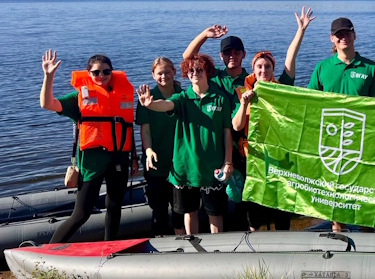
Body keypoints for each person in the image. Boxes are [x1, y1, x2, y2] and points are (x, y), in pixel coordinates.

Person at [40, 50, 139, 243]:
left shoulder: (123, 93)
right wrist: (48, 76)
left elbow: (126, 128)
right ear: (89, 73)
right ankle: (49, 250)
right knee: (81, 214)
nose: (101, 76)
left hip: (119, 158)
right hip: (92, 161)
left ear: (112, 72)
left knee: (114, 207)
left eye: (106, 71)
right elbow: (47, 104)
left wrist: (134, 157)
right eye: (96, 72)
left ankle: (109, 248)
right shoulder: (78, 97)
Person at [232, 6, 315, 231]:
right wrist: (245, 105)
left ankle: (283, 241)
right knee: (255, 206)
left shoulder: (282, 88)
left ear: (272, 69)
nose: (263, 70)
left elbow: (290, 57)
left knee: (281, 204)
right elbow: (237, 126)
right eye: (259, 66)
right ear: (253, 69)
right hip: (254, 157)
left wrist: (301, 31)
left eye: (267, 66)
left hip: (279, 156)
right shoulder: (243, 92)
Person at [136, 54, 233, 235]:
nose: (195, 73)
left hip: (213, 168)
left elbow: (227, 132)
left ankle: (219, 252)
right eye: (190, 71)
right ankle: (192, 249)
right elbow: (165, 105)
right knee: (190, 212)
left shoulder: (220, 98)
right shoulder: (181, 98)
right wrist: (150, 104)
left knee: (215, 214)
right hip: (185, 169)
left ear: (207, 71)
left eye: (199, 70)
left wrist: (228, 162)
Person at [307, 16, 375, 232]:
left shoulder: (370, 68)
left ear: (354, 35)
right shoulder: (323, 68)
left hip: (361, 141)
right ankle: (338, 235)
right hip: (331, 141)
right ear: (332, 38)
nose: (344, 38)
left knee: (362, 194)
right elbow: (309, 104)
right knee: (335, 193)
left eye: (347, 33)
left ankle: (366, 238)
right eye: (339, 35)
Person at [182, 25, 252, 231]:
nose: (232, 56)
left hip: (245, 147)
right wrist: (205, 35)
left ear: (243, 55)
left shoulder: (251, 80)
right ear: (221, 56)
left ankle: (246, 235)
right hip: (220, 145)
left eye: (236, 52)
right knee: (219, 198)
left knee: (244, 197)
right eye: (227, 52)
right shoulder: (214, 77)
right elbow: (188, 59)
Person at [135, 57, 185, 236]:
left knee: (181, 210)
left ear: (174, 72)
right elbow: (145, 131)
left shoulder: (183, 95)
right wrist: (148, 151)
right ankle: (161, 246)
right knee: (159, 211)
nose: (164, 76)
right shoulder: (146, 99)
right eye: (160, 73)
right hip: (156, 164)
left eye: (167, 72)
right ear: (153, 76)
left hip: (180, 163)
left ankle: (184, 244)